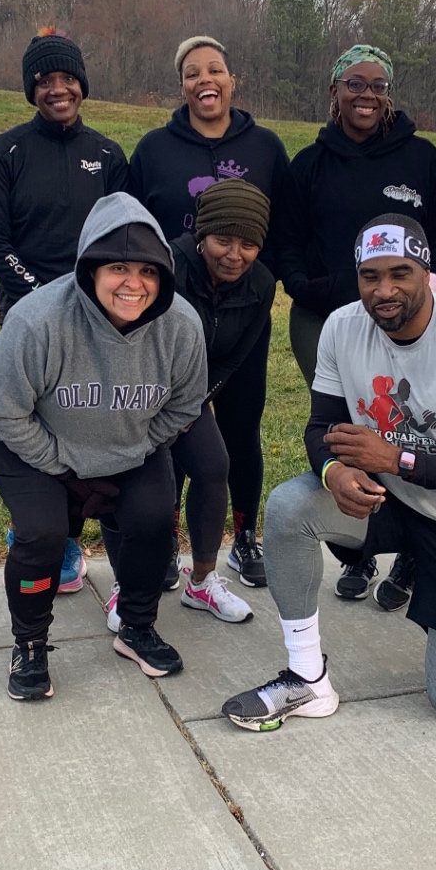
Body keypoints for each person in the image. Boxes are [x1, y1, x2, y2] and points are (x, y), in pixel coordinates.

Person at [222, 215, 436, 731]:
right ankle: (306, 679)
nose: (384, 290)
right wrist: (331, 474)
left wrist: (395, 459)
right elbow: (322, 427)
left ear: (426, 272)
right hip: (387, 502)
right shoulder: (342, 328)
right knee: (288, 505)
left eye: (400, 273)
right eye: (370, 276)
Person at [0, 193, 207, 700]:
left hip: (126, 444)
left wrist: (132, 450)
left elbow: (185, 407)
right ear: (90, 268)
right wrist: (65, 467)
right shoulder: (39, 321)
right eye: (118, 267)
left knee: (151, 517)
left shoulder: (182, 327)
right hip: (26, 436)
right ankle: (29, 644)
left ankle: (137, 628)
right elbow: (1, 410)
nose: (133, 283)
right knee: (43, 531)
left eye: (147, 270)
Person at [271, 43, 436, 603]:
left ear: (389, 95)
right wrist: (317, 288)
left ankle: (415, 549)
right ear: (334, 92)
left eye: (378, 85)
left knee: (406, 424)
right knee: (350, 427)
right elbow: (287, 244)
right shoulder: (310, 163)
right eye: (355, 83)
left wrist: (430, 290)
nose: (367, 95)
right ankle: (358, 547)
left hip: (409, 319)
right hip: (326, 318)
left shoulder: (420, 158)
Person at [127, 37, 290, 587]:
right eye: (193, 73)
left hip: (242, 310)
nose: (205, 80)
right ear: (182, 86)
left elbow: (286, 223)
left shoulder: (265, 146)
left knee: (241, 430)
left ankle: (244, 535)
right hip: (172, 305)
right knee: (171, 430)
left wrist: (265, 277)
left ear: (231, 79)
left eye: (215, 69)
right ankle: (168, 536)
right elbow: (133, 227)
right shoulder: (154, 149)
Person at [0, 29, 129, 595]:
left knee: (83, 421)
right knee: (32, 424)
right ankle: (37, 531)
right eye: (45, 81)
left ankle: (70, 538)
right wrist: (45, 294)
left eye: (67, 79)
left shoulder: (109, 155)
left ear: (82, 86)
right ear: (31, 90)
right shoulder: (5, 152)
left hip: (100, 315)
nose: (57, 89)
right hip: (28, 314)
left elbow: (123, 238)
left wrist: (93, 295)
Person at [137, 177, 275, 626]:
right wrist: (162, 406)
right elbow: (137, 338)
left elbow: (235, 356)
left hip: (195, 389)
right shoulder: (163, 266)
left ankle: (202, 581)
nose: (235, 255)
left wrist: (190, 404)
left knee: (215, 465)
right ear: (200, 235)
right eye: (223, 241)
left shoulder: (262, 283)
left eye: (248, 244)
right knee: (149, 476)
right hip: (143, 386)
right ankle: (139, 572)